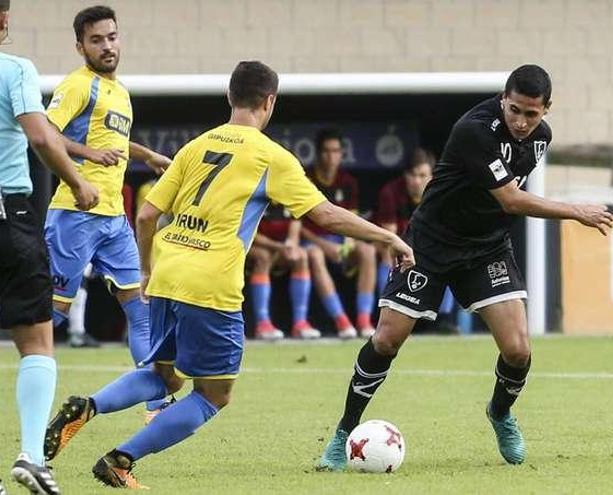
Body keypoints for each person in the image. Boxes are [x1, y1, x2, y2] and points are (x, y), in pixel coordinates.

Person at [42, 60, 414, 488]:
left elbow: (146, 216)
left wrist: (146, 270)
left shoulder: (195, 146)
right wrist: (389, 240)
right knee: (212, 395)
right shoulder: (270, 156)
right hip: (211, 286)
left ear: (229, 97)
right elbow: (326, 215)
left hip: (167, 274)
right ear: (269, 101)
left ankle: (87, 405)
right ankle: (121, 459)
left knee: (164, 375)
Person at [316, 64, 613, 470]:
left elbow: (504, 201)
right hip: (430, 245)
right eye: (515, 110)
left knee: (518, 349)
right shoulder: (475, 129)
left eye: (532, 113)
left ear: (546, 110)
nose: (522, 122)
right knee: (386, 340)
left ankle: (500, 413)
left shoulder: (540, 138)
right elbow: (510, 199)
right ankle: (342, 433)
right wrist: (574, 210)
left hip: (486, 249)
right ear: (503, 98)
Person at [43, 5, 173, 422]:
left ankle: (156, 402)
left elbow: (114, 140)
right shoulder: (78, 86)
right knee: (51, 316)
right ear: (80, 46)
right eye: (97, 40)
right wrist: (88, 155)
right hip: (74, 216)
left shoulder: (120, 91)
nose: (107, 46)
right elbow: (46, 135)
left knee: (139, 307)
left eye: (112, 37)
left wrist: (148, 154)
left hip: (114, 218)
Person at [0, 1, 100, 492]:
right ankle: (32, 456)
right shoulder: (14, 69)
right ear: (3, 22)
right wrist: (78, 183)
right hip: (8, 216)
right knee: (37, 341)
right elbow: (41, 137)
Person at [301, 128, 377, 339]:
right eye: (326, 151)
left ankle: (363, 320)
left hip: (339, 240)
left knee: (367, 252)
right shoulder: (305, 179)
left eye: (335, 151)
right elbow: (298, 226)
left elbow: (350, 221)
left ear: (342, 154)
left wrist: (348, 245)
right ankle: (341, 321)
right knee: (315, 255)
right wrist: (326, 246)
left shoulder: (348, 181)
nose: (331, 156)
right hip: (312, 241)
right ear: (318, 153)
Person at [374, 147, 458, 331]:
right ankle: (386, 317)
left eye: (422, 175)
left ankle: (443, 321)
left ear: (431, 176)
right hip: (399, 254)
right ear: (405, 175)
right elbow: (390, 240)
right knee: (386, 262)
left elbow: (446, 238)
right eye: (413, 175)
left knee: (452, 260)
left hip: (430, 254)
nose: (417, 181)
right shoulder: (390, 192)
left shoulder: (442, 195)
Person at [247, 206, 320, 340]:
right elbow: (249, 231)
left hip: (280, 248)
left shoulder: (287, 192)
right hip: (250, 245)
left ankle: (300, 323)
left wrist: (290, 244)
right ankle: (262, 324)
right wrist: (278, 247)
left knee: (301, 256)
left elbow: (295, 224)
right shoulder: (256, 194)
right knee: (263, 256)